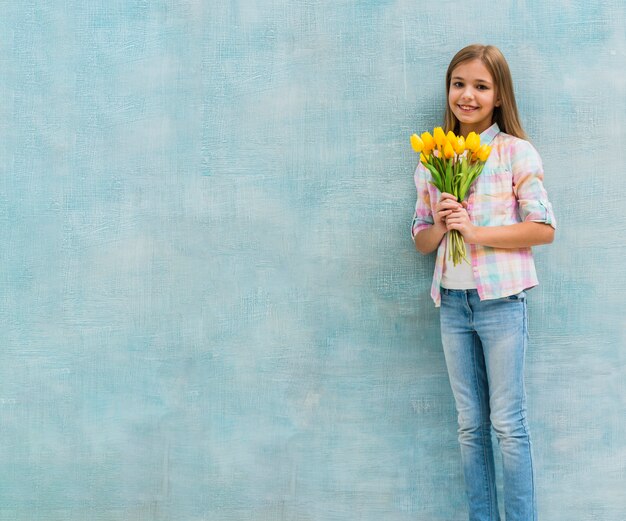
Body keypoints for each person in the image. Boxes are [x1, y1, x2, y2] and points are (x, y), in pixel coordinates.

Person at [411, 44, 556, 521]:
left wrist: (474, 232)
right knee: (469, 426)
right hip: (452, 304)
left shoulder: (515, 152)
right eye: (458, 84)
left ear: (498, 96)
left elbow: (543, 228)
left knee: (507, 425)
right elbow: (421, 240)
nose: (467, 95)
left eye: (480, 86)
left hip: (501, 304)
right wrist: (442, 223)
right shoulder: (433, 157)